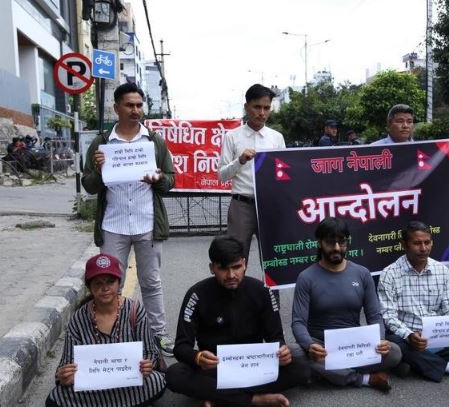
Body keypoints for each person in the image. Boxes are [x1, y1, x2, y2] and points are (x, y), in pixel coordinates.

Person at [82, 82, 176, 356]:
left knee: (151, 283)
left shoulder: (154, 142)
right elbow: (88, 185)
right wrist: (99, 170)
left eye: (139, 105)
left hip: (147, 222)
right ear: (116, 108)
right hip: (114, 224)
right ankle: (115, 335)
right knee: (111, 284)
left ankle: (159, 335)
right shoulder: (102, 143)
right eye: (129, 105)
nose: (135, 110)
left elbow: (170, 181)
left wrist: (158, 178)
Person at [166, 236, 309, 407]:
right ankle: (255, 400)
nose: (231, 275)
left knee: (301, 366)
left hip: (254, 366)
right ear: (212, 268)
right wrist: (198, 357)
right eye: (223, 269)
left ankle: (215, 395)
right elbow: (181, 346)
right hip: (214, 369)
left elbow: (276, 337)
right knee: (174, 374)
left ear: (244, 263)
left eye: (236, 267)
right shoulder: (196, 295)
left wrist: (281, 351)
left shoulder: (262, 291)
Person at [291, 217, 401, 392]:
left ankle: (329, 372)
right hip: (321, 346)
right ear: (319, 243)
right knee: (295, 354)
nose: (336, 248)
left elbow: (374, 315)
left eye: (341, 242)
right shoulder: (306, 277)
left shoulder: (362, 273)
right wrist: (310, 345)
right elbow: (298, 322)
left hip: (354, 344)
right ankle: (364, 378)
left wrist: (380, 339)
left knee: (394, 352)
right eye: (330, 242)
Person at [377, 220, 449, 382]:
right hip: (408, 337)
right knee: (395, 344)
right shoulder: (389, 274)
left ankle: (414, 363)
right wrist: (409, 335)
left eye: (427, 242)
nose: (423, 248)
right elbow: (389, 317)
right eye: (417, 243)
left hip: (437, 336)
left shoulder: (441, 270)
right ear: (404, 244)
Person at [46, 253, 166, 407]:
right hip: (94, 387)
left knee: (156, 381)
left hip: (128, 383)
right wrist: (64, 376)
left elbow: (149, 351)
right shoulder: (79, 318)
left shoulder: (135, 310)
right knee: (56, 398)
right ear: (89, 287)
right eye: (98, 283)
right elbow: (66, 362)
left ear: (119, 282)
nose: (105, 288)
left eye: (110, 281)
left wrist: (147, 364)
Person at [218, 84, 286, 260]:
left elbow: (283, 175)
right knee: (236, 257)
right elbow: (222, 175)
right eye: (257, 107)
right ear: (246, 107)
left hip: (269, 205)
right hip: (242, 206)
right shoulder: (232, 136)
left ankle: (272, 282)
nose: (262, 113)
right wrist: (240, 160)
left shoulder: (277, 138)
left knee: (274, 259)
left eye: (266, 108)